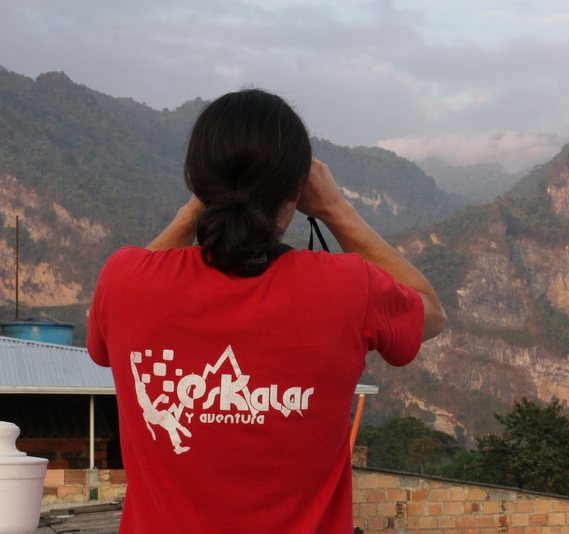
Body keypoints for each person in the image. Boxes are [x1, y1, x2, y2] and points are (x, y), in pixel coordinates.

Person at [87, 89, 445, 533]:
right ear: (297, 190)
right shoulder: (349, 287)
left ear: (196, 184)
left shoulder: (124, 282)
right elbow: (430, 312)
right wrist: (336, 208)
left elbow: (103, 339)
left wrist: (195, 210)